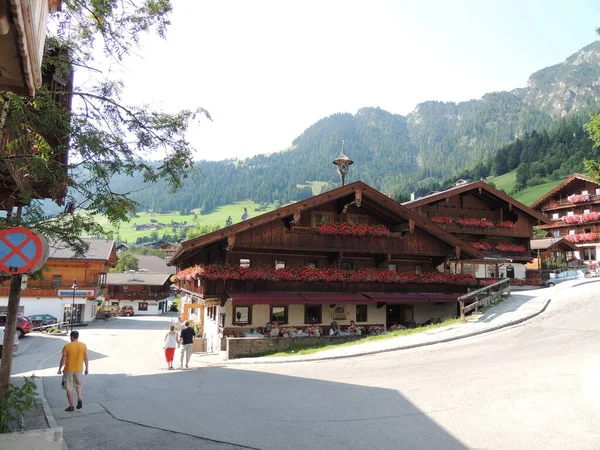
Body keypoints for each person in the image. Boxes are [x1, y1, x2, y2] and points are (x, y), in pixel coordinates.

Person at [57, 330, 89, 412]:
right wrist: (87, 368)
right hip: (79, 369)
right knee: (78, 385)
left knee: (69, 388)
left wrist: (60, 369)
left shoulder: (67, 346)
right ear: (77, 337)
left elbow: (63, 359)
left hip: (69, 370)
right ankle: (79, 399)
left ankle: (71, 406)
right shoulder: (83, 346)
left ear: (71, 337)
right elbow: (86, 358)